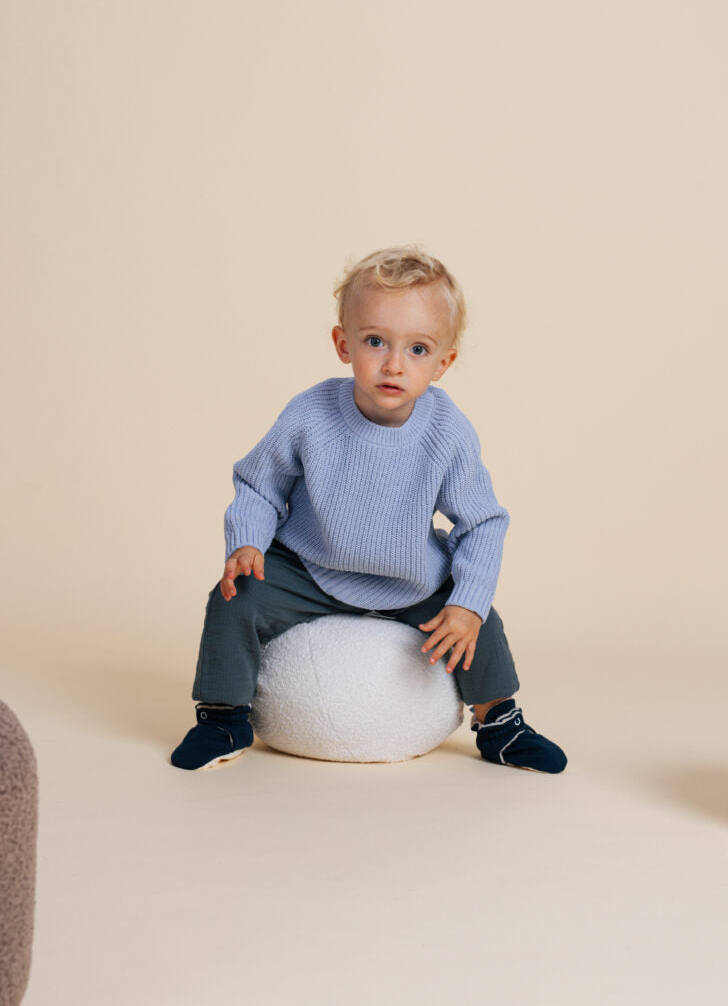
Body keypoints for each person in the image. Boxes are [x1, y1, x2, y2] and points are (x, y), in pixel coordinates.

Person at [171, 245, 567, 774]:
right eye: (375, 341)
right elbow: (260, 483)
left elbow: (482, 522)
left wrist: (467, 604)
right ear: (343, 344)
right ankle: (222, 716)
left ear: (444, 363)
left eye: (419, 349)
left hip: (410, 579)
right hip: (309, 568)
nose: (394, 364)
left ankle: (498, 721)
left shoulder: (446, 432)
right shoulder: (311, 414)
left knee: (478, 620)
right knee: (234, 597)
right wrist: (246, 541)